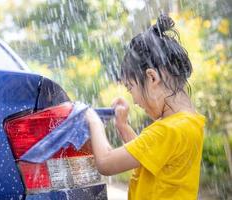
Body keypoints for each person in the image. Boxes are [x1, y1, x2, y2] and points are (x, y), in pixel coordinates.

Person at [86, 14, 206, 200]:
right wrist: (123, 126)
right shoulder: (190, 122)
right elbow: (144, 158)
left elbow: (106, 163)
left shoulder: (167, 130)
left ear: (152, 78)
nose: (133, 100)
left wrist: (93, 119)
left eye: (130, 88)